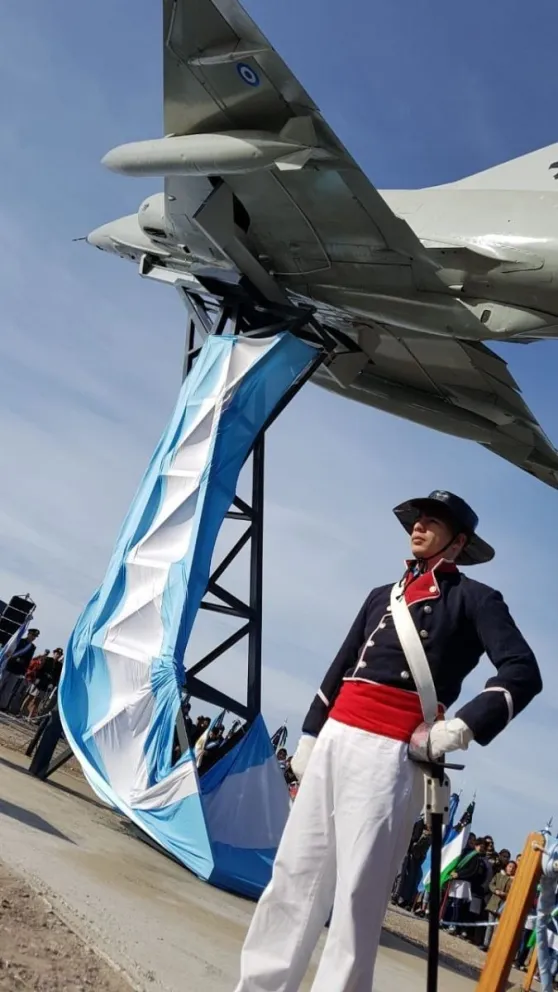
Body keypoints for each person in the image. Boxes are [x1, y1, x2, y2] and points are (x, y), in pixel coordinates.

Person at [233, 490, 542, 992]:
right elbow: (340, 666)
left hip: (391, 752)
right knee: (292, 876)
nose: (418, 527)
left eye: (433, 522)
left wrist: (461, 727)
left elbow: (523, 672)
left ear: (458, 542)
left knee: (358, 898)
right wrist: (312, 732)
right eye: (418, 519)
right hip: (337, 735)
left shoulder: (475, 599)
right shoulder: (382, 595)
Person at [0, 628, 40, 710]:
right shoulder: (19, 641)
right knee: (1, 683)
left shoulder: (32, 647)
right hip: (9, 666)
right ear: (28, 634)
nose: (33, 637)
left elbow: (28, 660)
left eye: (35, 636)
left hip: (18, 670)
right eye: (32, 635)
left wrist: (23, 671)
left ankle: (2, 705)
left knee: (9, 688)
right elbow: (11, 651)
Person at [484, 860, 516, 950]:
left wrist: (505, 894)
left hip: (504, 905)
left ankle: (495, 947)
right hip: (494, 902)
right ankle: (486, 944)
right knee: (490, 925)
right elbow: (491, 884)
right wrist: (496, 890)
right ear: (506, 867)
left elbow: (513, 892)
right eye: (510, 866)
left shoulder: (514, 880)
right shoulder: (498, 875)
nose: (511, 869)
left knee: (499, 928)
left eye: (513, 868)